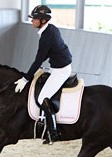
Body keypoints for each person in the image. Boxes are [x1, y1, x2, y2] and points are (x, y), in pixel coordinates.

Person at [14, 5, 72, 144]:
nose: (32, 21)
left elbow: (39, 59)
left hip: (61, 70)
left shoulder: (47, 36)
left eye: (34, 19)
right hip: (56, 67)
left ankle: (53, 132)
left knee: (42, 98)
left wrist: (25, 78)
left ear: (43, 20)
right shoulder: (49, 30)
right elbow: (44, 56)